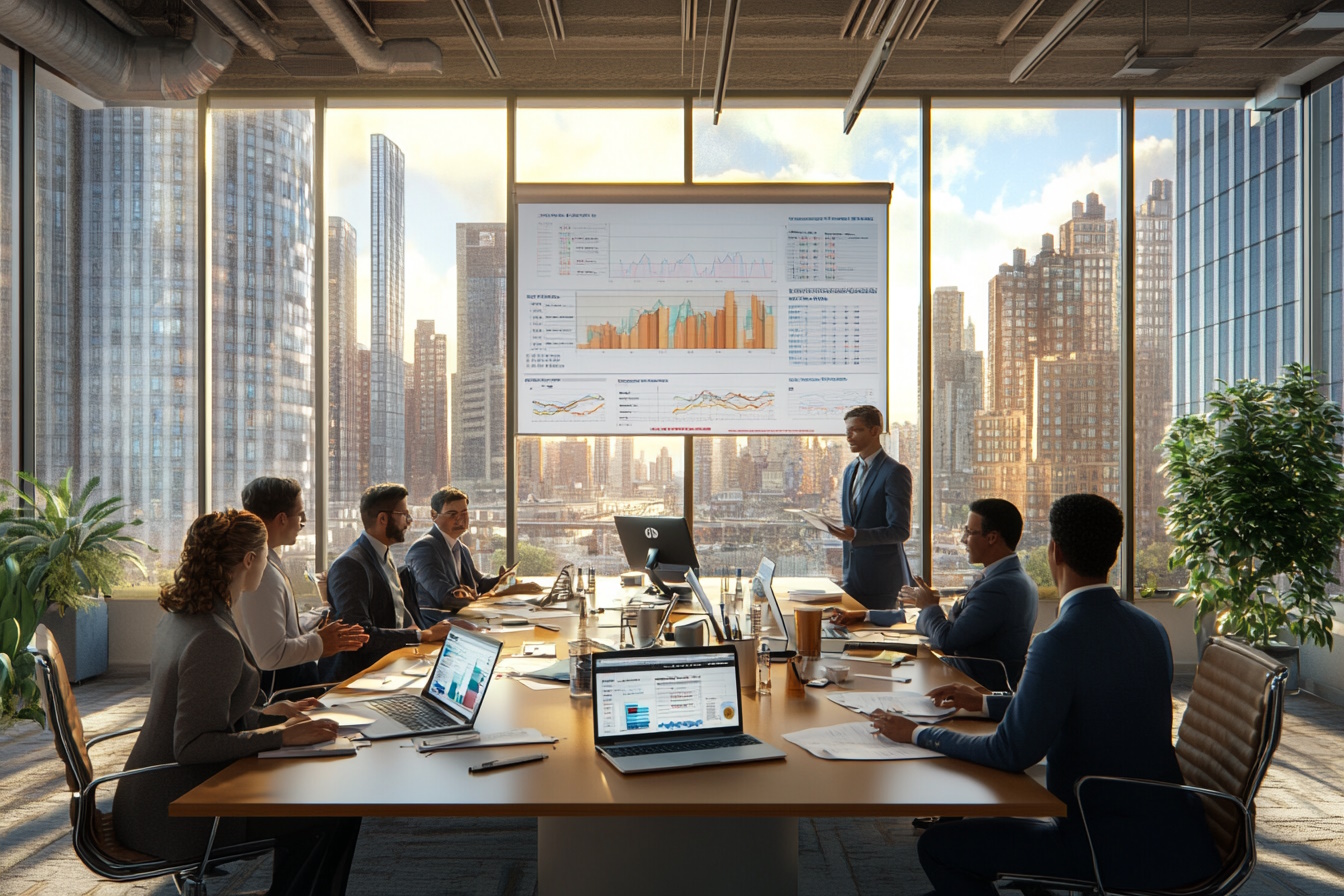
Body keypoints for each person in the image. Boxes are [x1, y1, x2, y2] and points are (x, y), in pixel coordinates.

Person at [871, 494, 1220, 895]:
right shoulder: (1150, 628)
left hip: (1101, 839)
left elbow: (1011, 753)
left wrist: (917, 733)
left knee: (940, 847)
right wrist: (983, 702)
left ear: (1054, 551)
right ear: (1113, 552)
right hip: (1168, 831)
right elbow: (1085, 702)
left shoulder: (1058, 640)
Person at [112, 510, 361, 895]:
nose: (268, 562)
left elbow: (206, 709)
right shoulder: (215, 637)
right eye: (265, 555)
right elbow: (193, 745)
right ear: (249, 560)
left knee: (324, 806)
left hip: (150, 796)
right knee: (332, 813)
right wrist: (281, 736)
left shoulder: (184, 616)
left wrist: (265, 715)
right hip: (180, 810)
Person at [829, 498, 1037, 691]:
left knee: (874, 678)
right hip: (962, 673)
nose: (963, 540)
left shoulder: (999, 588)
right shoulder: (1008, 577)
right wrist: (870, 615)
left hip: (972, 685)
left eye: (969, 532)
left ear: (991, 537)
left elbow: (947, 640)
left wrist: (929, 607)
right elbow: (951, 627)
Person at [320, 483, 467, 683]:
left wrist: (434, 633)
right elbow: (359, 635)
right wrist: (422, 636)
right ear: (383, 519)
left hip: (390, 668)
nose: (409, 522)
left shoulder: (383, 554)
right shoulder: (350, 565)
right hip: (359, 679)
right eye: (404, 515)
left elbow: (399, 616)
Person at [234, 476, 367, 695]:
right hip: (283, 695)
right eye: (301, 514)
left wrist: (313, 623)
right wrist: (321, 643)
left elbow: (276, 632)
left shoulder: (267, 563)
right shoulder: (261, 574)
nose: (303, 523)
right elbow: (269, 655)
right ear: (282, 519)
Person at [827, 404, 913, 611]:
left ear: (875, 431)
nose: (848, 437)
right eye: (847, 431)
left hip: (881, 583)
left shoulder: (895, 472)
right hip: (852, 578)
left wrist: (856, 535)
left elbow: (900, 531)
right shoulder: (850, 470)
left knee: (872, 640)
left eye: (855, 430)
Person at [404, 486, 513, 625]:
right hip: (438, 625)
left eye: (464, 512)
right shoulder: (424, 548)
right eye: (452, 514)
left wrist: (501, 580)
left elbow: (479, 583)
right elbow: (444, 596)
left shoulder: (461, 548)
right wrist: (470, 597)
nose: (460, 519)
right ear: (433, 515)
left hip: (462, 619)